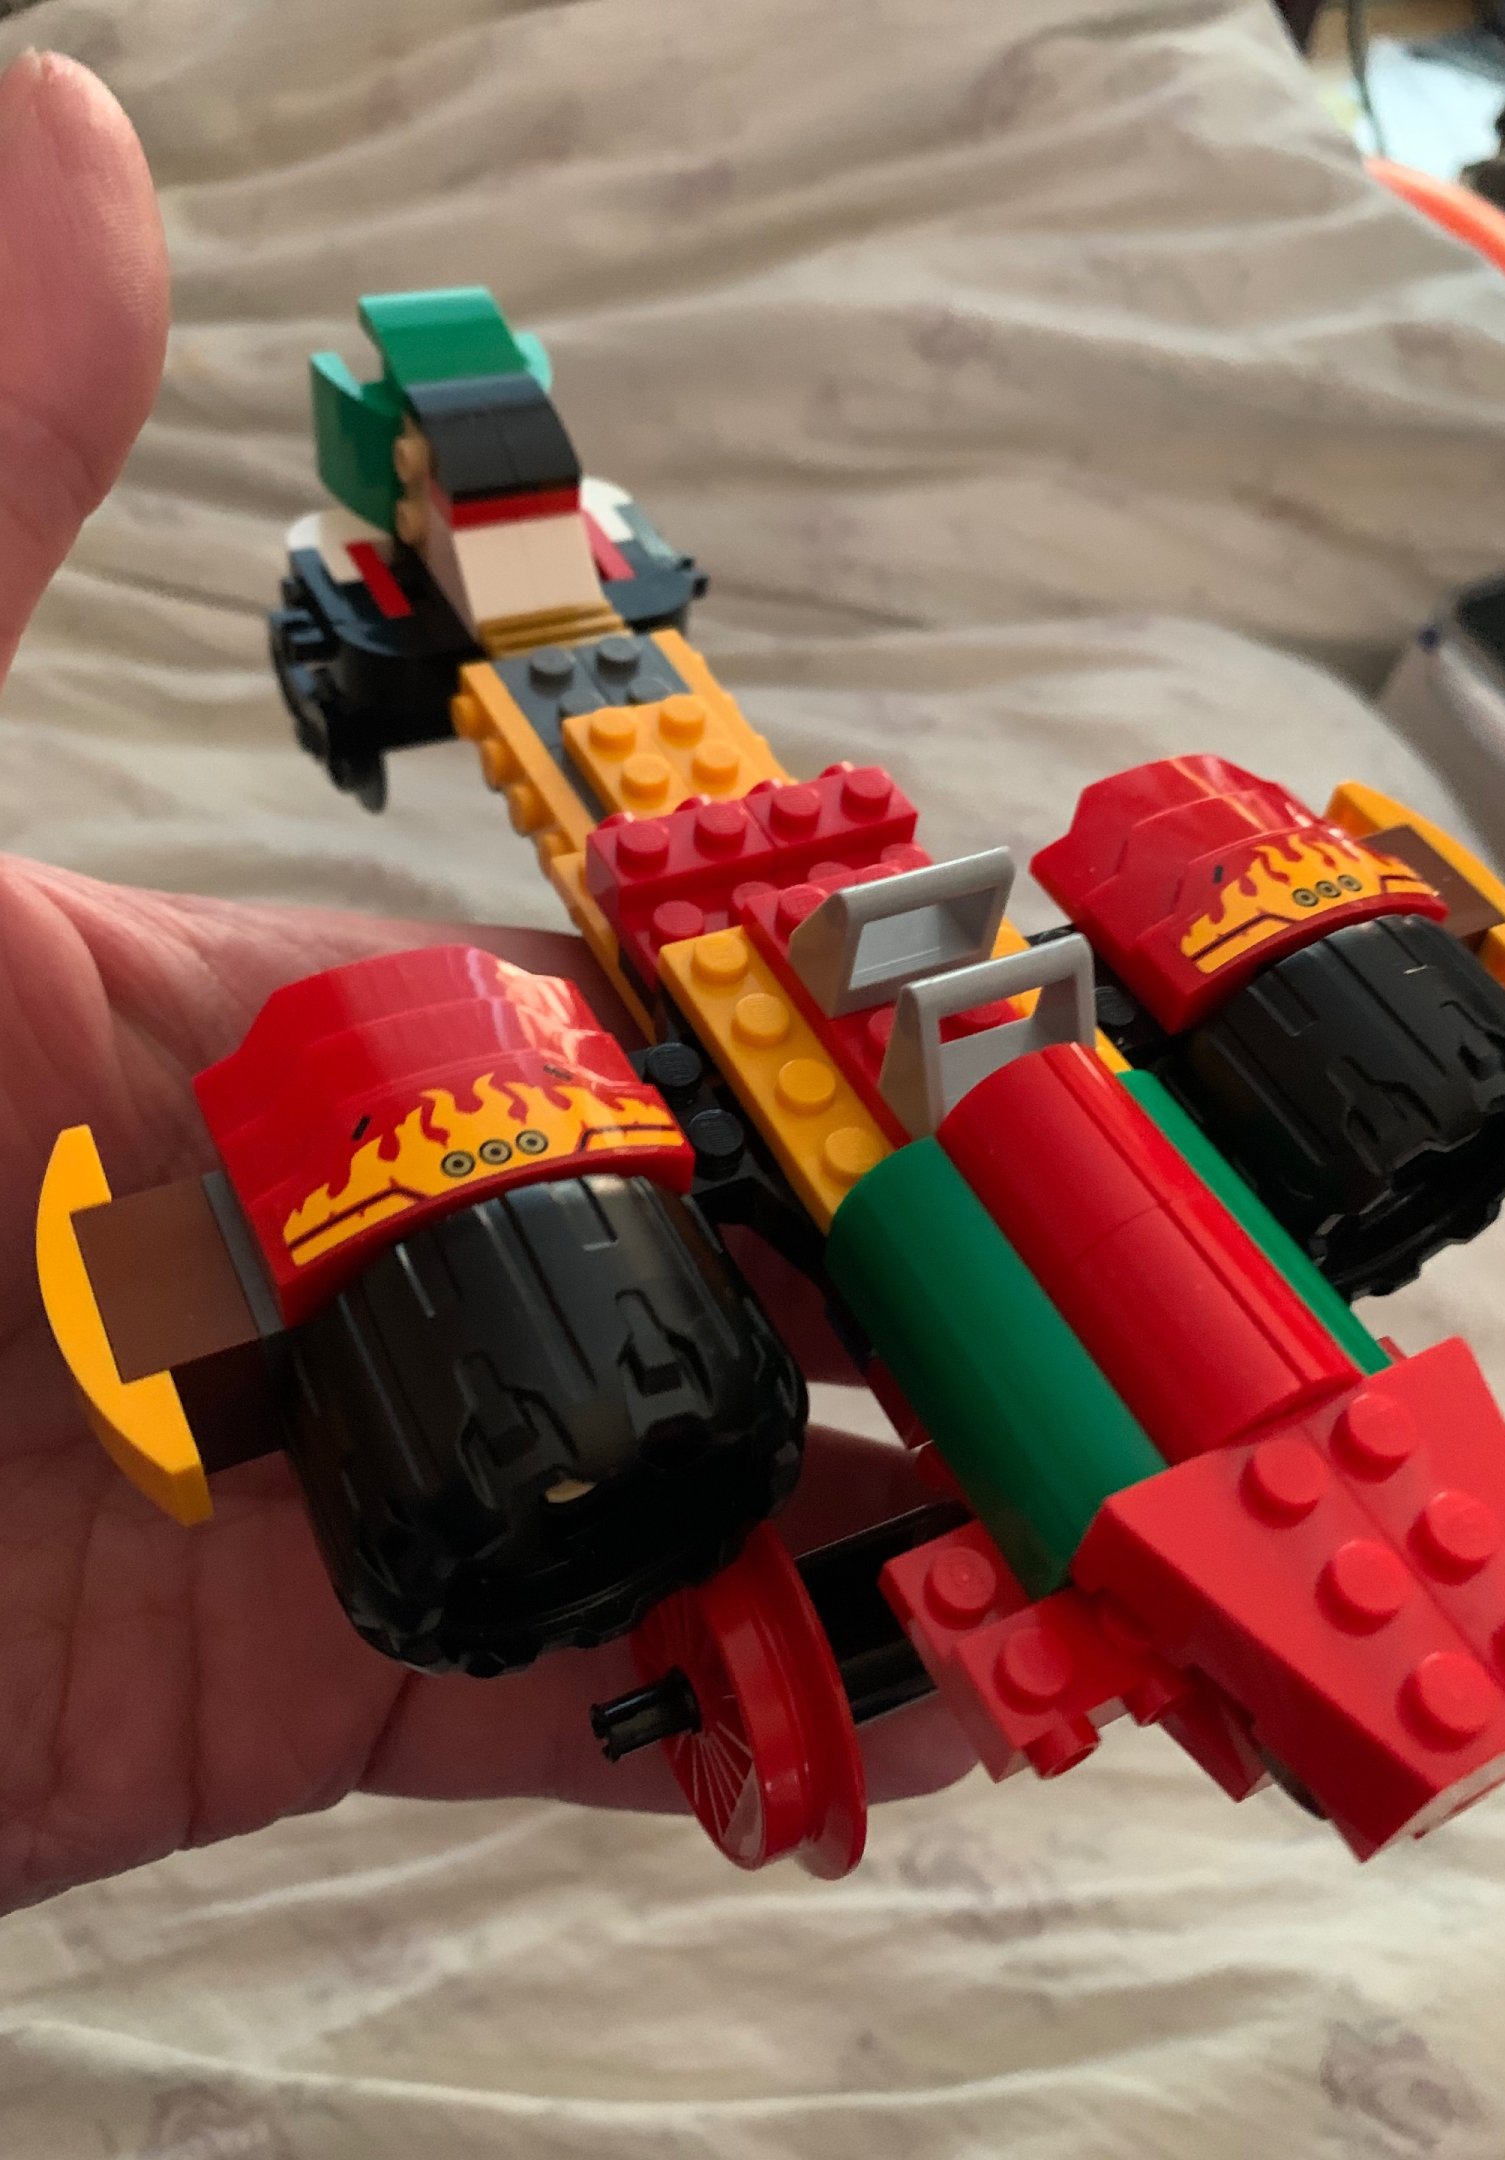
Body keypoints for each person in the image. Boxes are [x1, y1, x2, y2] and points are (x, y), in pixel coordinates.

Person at [0, 49, 962, 1919]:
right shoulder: (389, 576)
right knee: (415, 1059)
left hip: (696, 1074)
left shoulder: (555, 562)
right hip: (587, 1155)